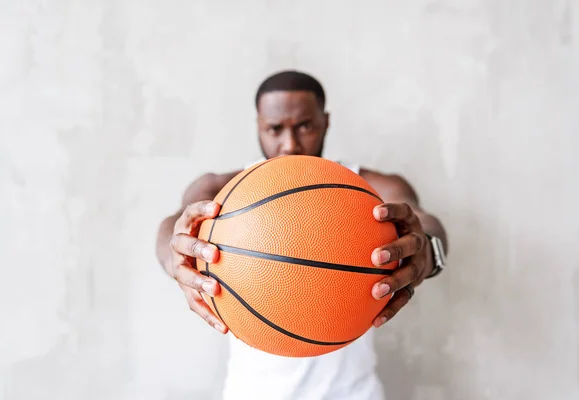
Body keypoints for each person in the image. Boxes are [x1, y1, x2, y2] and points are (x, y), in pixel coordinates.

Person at [155, 71, 448, 400]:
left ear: (326, 122)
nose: (290, 144)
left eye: (304, 126)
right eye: (275, 128)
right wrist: (174, 255)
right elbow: (172, 224)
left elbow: (427, 224)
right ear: (258, 125)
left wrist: (429, 253)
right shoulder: (220, 191)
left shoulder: (373, 190)